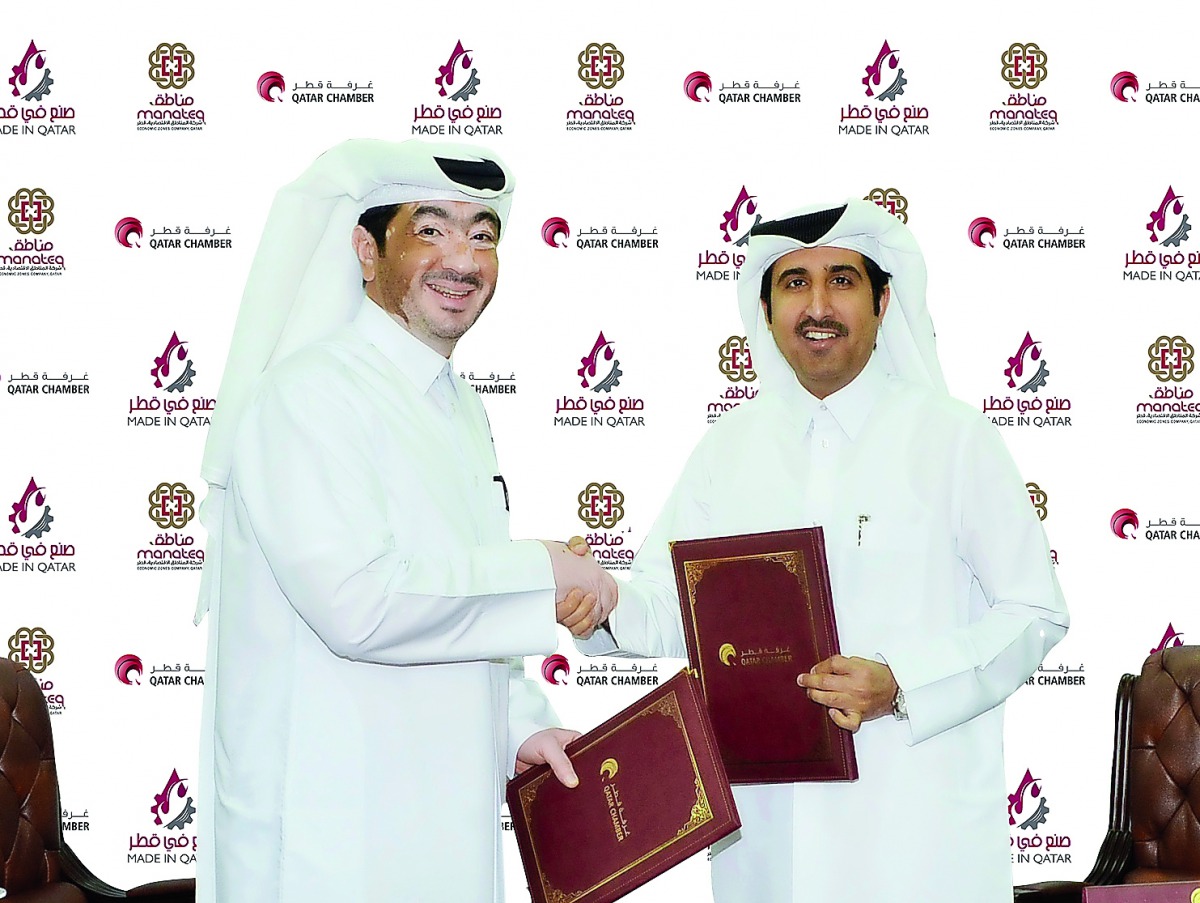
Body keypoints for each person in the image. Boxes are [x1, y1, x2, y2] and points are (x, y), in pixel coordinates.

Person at [569, 199, 1069, 902]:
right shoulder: (729, 448)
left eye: (841, 279)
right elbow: (669, 599)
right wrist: (601, 599)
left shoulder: (954, 439)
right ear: (768, 310)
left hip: (912, 819)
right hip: (770, 829)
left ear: (882, 300)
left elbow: (1033, 610)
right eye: (795, 284)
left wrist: (902, 681)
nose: (818, 305)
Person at [193, 139, 616, 903]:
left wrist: (519, 725)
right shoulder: (309, 395)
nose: (462, 258)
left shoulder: (459, 406)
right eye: (431, 229)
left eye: (483, 234)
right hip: (333, 842)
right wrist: (543, 570)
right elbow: (361, 603)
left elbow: (456, 598)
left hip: (436, 825)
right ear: (365, 249)